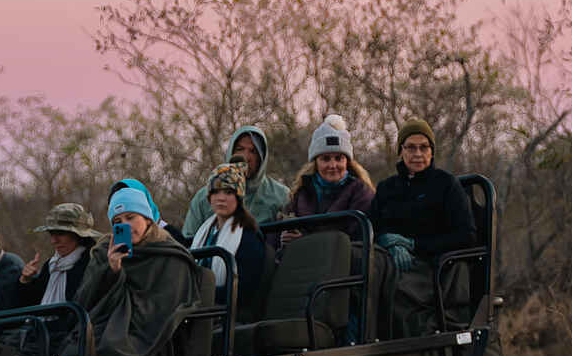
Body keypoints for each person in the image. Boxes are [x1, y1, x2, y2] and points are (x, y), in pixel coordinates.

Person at [79, 181, 201, 356]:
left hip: (150, 336)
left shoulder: (170, 256)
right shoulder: (103, 253)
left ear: (147, 218)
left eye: (131, 217)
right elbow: (85, 301)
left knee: (111, 350)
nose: (125, 225)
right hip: (106, 324)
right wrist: (112, 271)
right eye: (118, 222)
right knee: (76, 347)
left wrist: (122, 320)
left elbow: (161, 309)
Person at [368, 118, 477, 337]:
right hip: (389, 261)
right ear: (401, 151)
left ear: (432, 151)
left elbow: (467, 236)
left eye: (423, 147)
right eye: (410, 147)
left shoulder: (446, 185)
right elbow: (371, 227)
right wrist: (388, 243)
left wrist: (414, 245)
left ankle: (399, 346)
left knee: (387, 287)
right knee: (363, 276)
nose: (417, 153)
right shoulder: (387, 188)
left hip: (433, 267)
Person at [276, 115, 376, 253]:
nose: (333, 165)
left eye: (339, 158)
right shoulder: (301, 193)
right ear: (316, 162)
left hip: (342, 265)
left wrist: (305, 241)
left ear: (347, 161)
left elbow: (356, 239)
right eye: (326, 159)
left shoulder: (361, 193)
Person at [181, 126, 289, 237]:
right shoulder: (204, 197)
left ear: (261, 158)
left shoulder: (280, 195)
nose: (246, 157)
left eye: (253, 151)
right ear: (231, 152)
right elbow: (188, 240)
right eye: (240, 149)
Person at [187, 162, 265, 309]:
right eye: (216, 192)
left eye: (228, 192)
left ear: (239, 197)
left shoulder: (249, 235)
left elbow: (245, 289)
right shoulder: (204, 231)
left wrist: (205, 297)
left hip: (229, 312)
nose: (221, 198)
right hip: (199, 306)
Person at [15, 203, 101, 308]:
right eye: (51, 233)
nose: (53, 241)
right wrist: (25, 281)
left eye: (60, 233)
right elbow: (30, 305)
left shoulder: (94, 264)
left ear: (79, 235)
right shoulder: (52, 266)